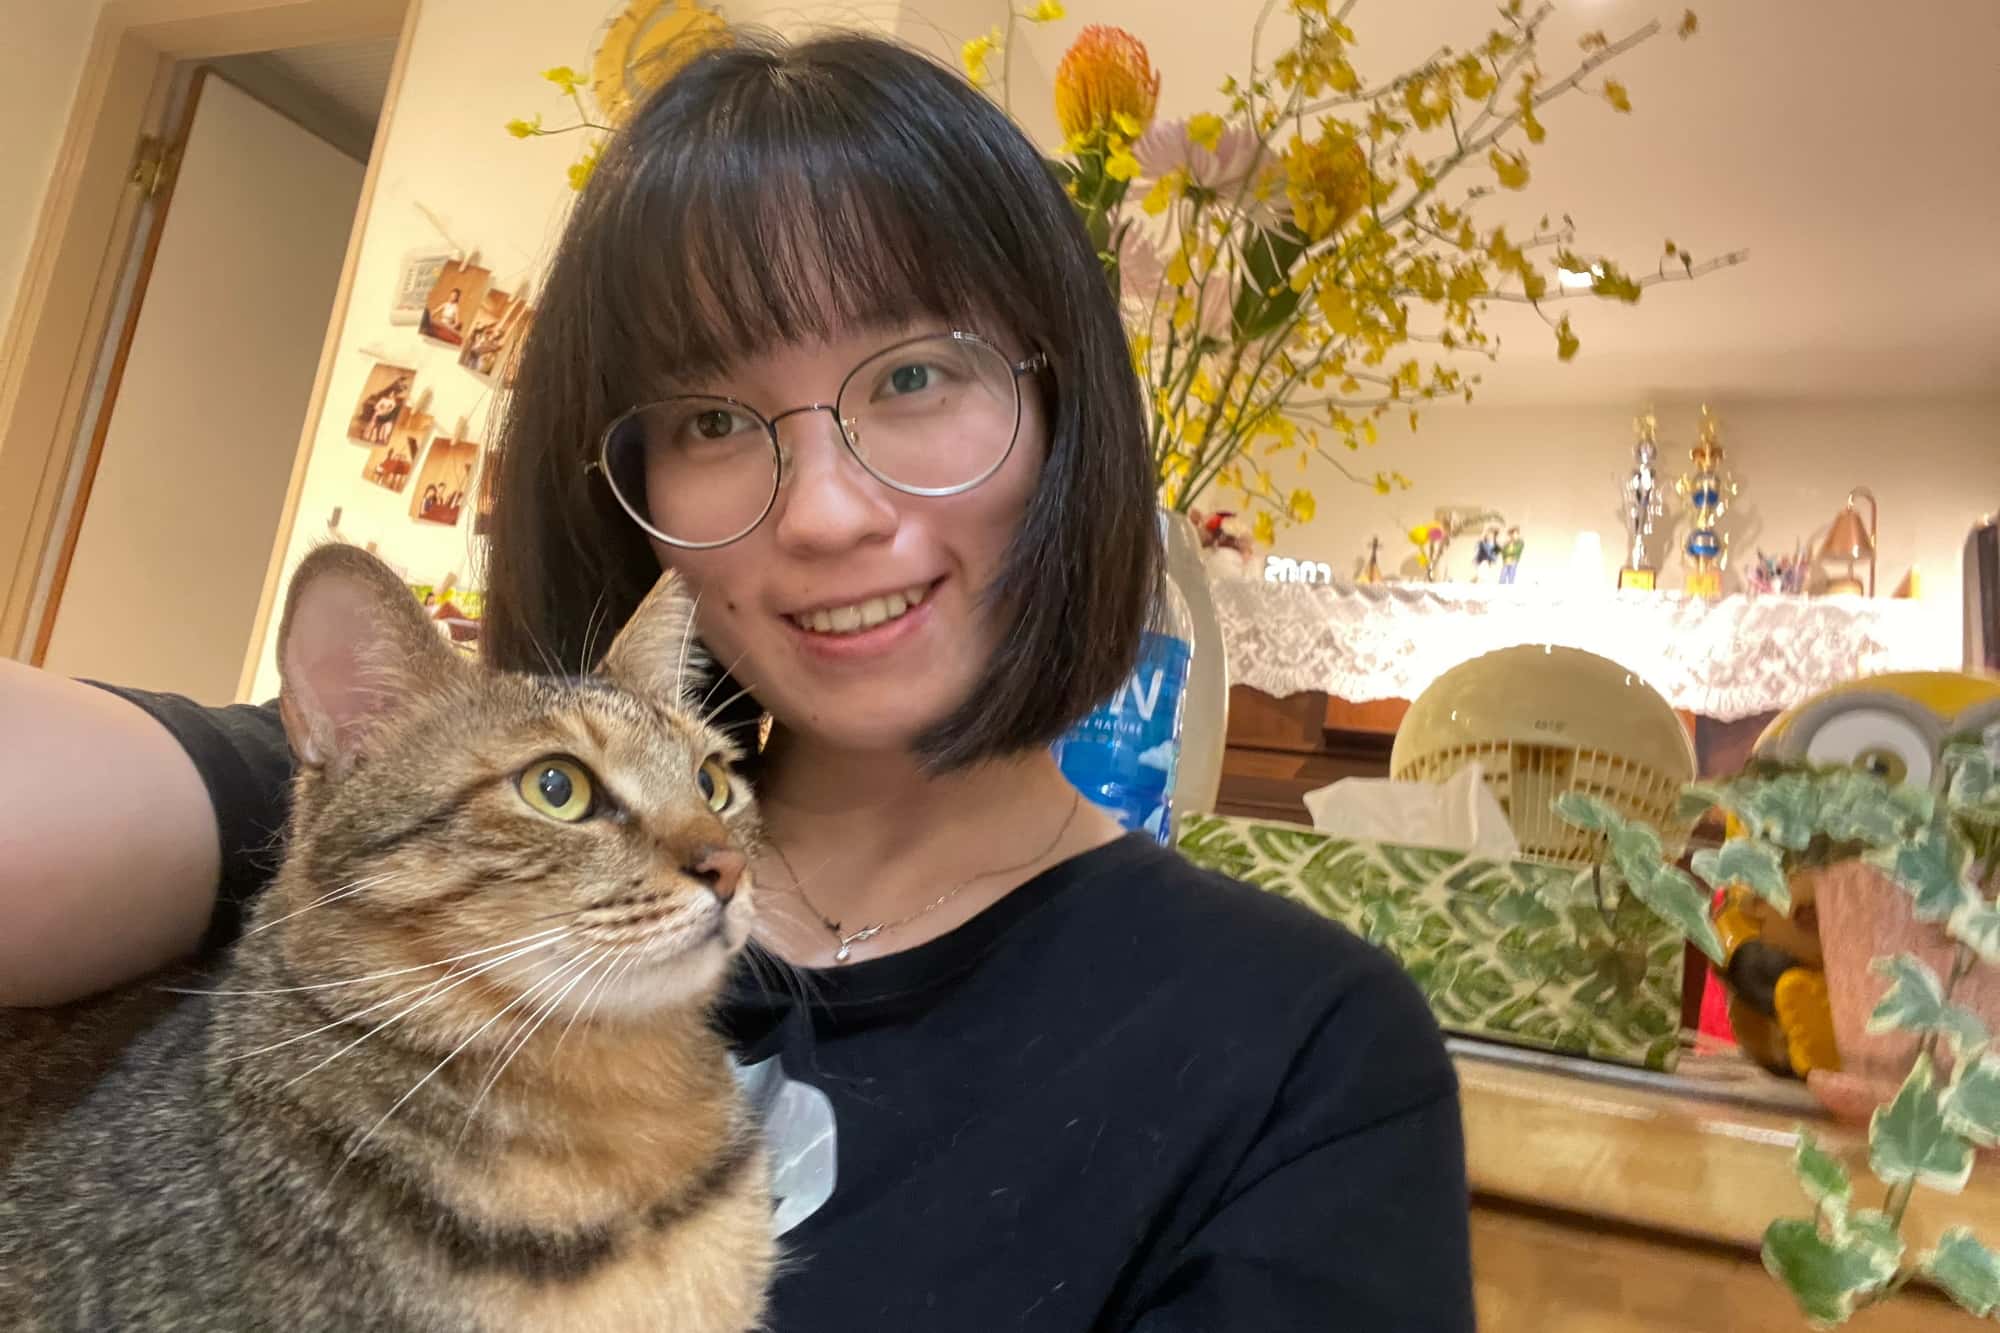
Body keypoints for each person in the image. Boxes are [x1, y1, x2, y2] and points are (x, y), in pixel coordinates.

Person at [0, 31, 1471, 1331]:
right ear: (636, 489)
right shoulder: (401, 835)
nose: (825, 512)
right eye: (711, 415)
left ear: (1060, 412)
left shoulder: (1303, 1051)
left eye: (913, 376)